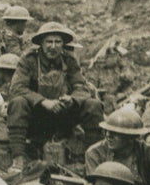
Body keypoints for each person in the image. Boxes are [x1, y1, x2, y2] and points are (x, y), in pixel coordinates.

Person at [6, 21, 103, 165]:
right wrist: (43, 101)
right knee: (17, 103)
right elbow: (17, 88)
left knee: (93, 105)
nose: (53, 46)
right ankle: (18, 158)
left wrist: (72, 99)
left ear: (63, 44)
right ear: (41, 43)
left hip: (64, 114)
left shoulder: (69, 60)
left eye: (58, 42)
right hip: (38, 117)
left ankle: (93, 158)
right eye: (49, 42)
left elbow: (81, 86)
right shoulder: (29, 60)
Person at [84, 107, 150, 185]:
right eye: (106, 131)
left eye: (114, 133)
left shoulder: (149, 152)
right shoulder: (95, 153)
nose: (108, 136)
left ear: (131, 137)